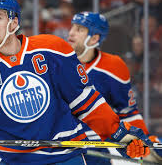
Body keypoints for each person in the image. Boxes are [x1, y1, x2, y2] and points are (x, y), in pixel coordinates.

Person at [0, 0, 152, 165]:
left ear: (14, 22)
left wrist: (120, 136)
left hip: (66, 158)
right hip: (16, 162)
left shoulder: (53, 50)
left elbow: (87, 102)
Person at [67, 11, 162, 164]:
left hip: (100, 144)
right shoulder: (57, 61)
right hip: (65, 143)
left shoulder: (113, 67)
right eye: (72, 27)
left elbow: (127, 112)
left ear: (94, 38)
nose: (71, 33)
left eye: (79, 29)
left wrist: (143, 140)